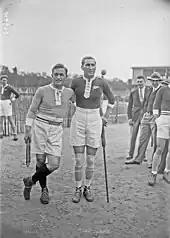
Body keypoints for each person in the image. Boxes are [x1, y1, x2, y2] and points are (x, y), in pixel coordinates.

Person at [23, 64, 74, 204]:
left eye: (61, 74)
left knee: (54, 164)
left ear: (65, 77)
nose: (58, 77)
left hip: (57, 129)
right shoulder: (42, 90)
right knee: (40, 161)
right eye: (56, 74)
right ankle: (44, 190)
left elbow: (81, 103)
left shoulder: (69, 92)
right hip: (41, 126)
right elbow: (32, 110)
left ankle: (31, 180)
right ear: (52, 75)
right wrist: (28, 129)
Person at [70, 56, 114, 203]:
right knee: (78, 160)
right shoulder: (75, 81)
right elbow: (69, 97)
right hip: (79, 117)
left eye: (93, 65)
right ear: (82, 66)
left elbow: (112, 100)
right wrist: (73, 105)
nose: (90, 67)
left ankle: (87, 187)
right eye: (87, 65)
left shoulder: (101, 82)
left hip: (95, 119)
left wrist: (106, 116)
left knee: (90, 159)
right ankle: (78, 188)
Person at [125, 72, 168, 170]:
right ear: (151, 81)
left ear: (159, 81)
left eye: (157, 81)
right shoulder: (149, 90)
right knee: (142, 138)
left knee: (155, 140)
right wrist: (145, 112)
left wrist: (158, 116)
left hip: (155, 117)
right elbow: (145, 102)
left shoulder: (162, 90)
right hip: (146, 116)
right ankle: (138, 158)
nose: (155, 83)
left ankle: (153, 162)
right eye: (153, 81)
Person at [148, 78, 170, 186]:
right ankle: (153, 173)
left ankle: (167, 172)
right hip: (164, 120)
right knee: (159, 148)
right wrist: (157, 119)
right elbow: (156, 105)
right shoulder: (163, 89)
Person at [126, 75, 152, 160]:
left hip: (145, 116)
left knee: (143, 136)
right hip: (135, 116)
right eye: (138, 82)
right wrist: (129, 118)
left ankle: (142, 155)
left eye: (141, 82)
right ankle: (130, 154)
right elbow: (129, 106)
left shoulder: (149, 90)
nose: (140, 83)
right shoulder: (133, 92)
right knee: (133, 136)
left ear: (144, 82)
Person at [0, 74, 19, 140]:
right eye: (2, 80)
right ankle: (1, 133)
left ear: (7, 81)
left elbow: (17, 94)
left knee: (10, 119)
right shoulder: (1, 87)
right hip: (1, 103)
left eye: (5, 80)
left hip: (7, 103)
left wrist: (13, 99)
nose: (4, 81)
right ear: (1, 81)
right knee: (1, 119)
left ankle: (15, 134)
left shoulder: (9, 87)